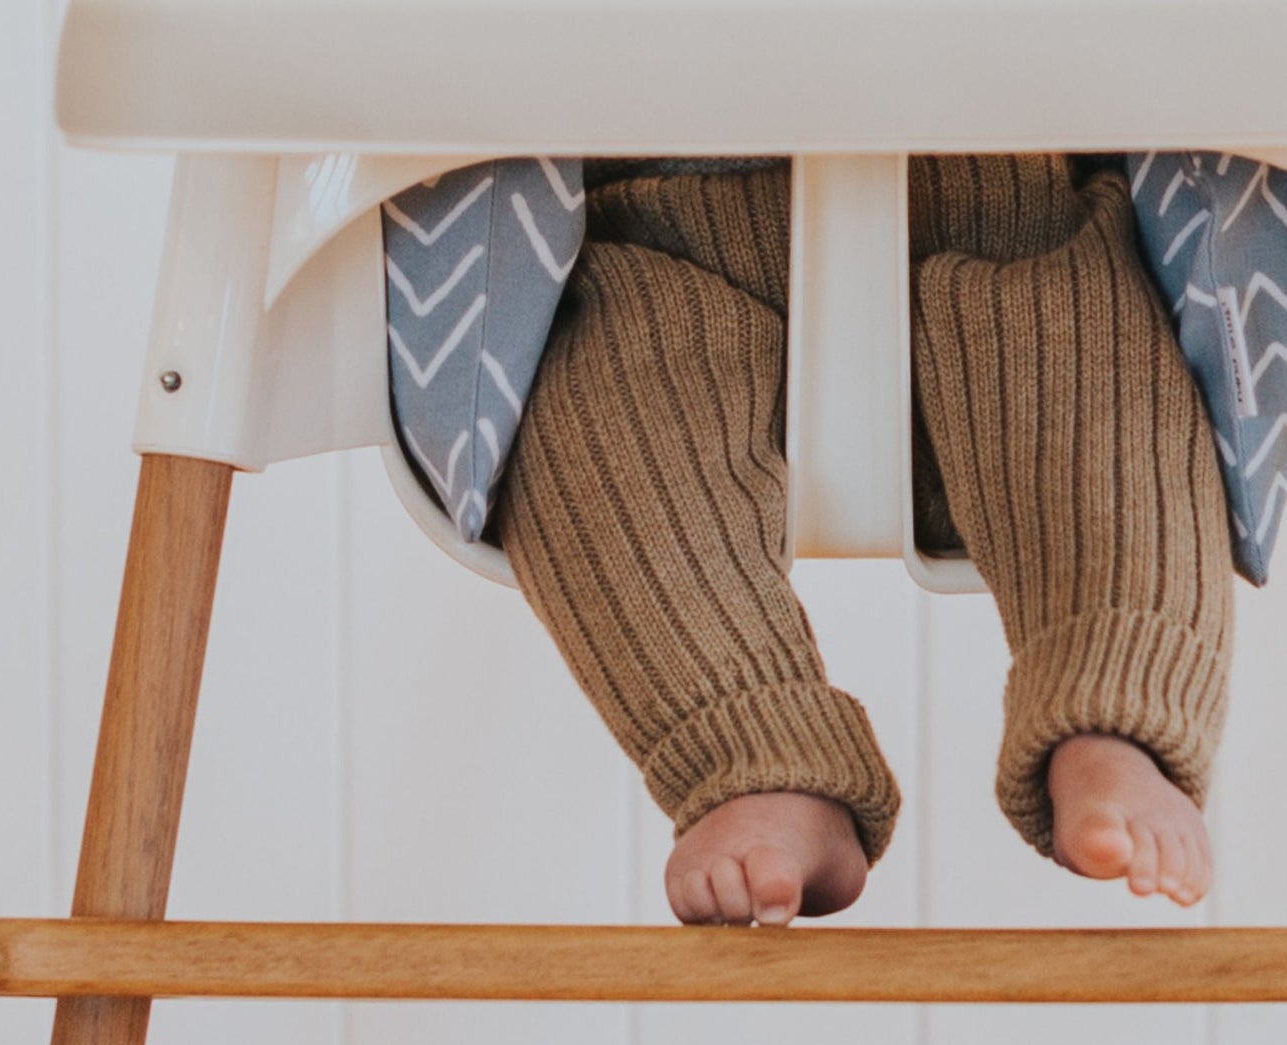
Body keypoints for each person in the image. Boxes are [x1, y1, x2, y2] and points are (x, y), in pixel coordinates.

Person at [494, 154, 1233, 924]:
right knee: (592, 429)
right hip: (651, 236)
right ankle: (757, 753)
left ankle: (1114, 714)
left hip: (1003, 198)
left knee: (1105, 384)